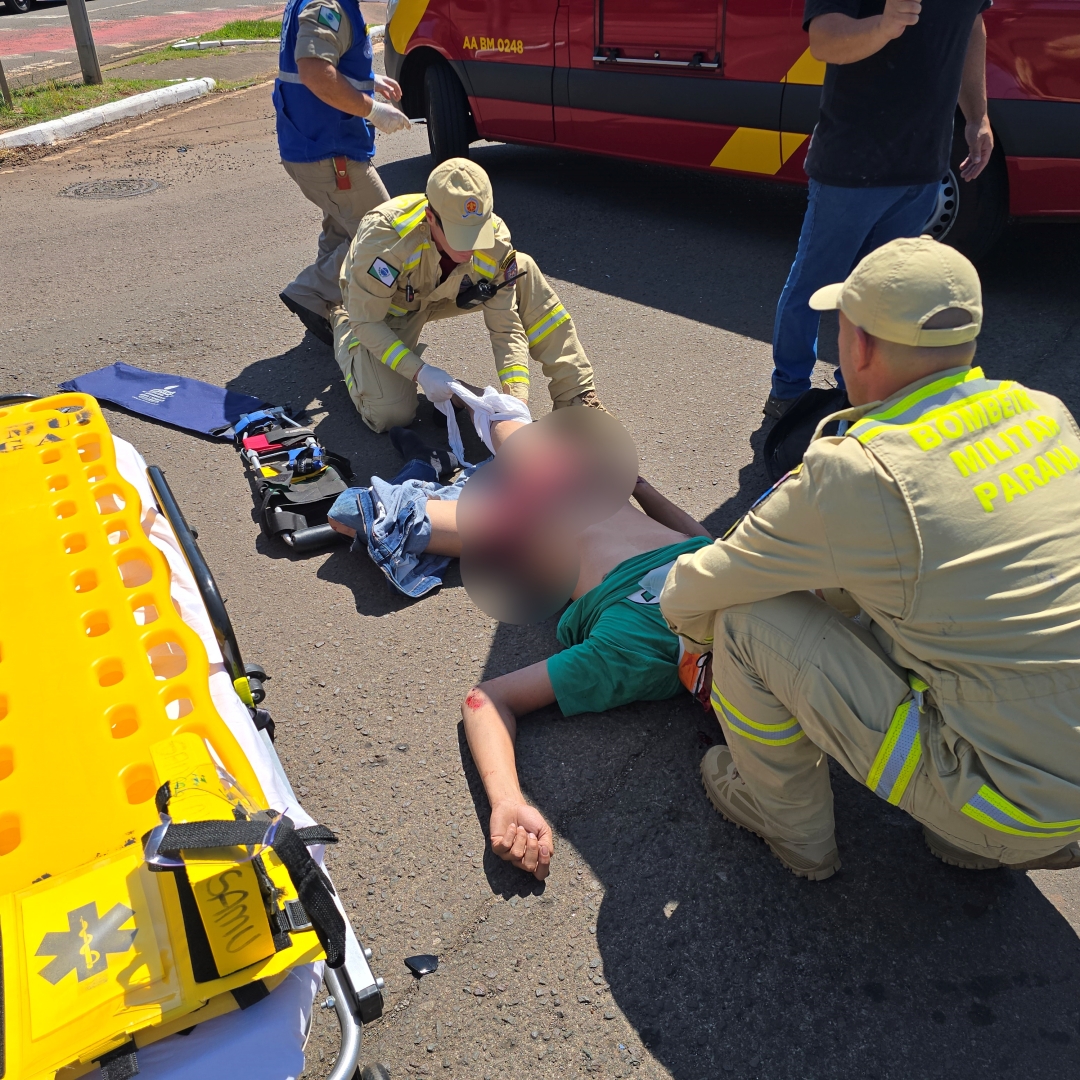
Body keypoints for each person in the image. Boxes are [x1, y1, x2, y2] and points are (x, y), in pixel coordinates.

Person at [661, 236, 1080, 882]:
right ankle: (997, 830)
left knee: (744, 620)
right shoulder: (1046, 415)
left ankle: (795, 832)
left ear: (857, 345)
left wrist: (695, 640)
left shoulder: (864, 474)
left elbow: (707, 581)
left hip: (1007, 805)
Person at [327, 417, 713, 879]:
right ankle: (461, 468)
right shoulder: (704, 605)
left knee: (357, 512)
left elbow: (485, 700)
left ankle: (459, 474)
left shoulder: (646, 650)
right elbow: (702, 538)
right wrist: (639, 487)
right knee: (497, 424)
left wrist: (507, 800)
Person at [764, 0, 994, 419]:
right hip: (851, 166)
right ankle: (789, 391)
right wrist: (883, 27)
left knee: (888, 294)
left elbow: (972, 26)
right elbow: (824, 39)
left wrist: (978, 115)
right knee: (815, 283)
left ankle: (859, 394)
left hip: (924, 165)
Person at [332, 157, 603, 433]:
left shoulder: (495, 239)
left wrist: (515, 399)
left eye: (477, 233)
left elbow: (506, 327)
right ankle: (342, 321)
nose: (471, 247)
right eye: (459, 236)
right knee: (390, 414)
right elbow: (369, 321)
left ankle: (575, 395)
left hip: (449, 292)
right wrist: (420, 371)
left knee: (523, 268)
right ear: (430, 218)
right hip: (387, 308)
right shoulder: (386, 237)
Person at [274, 0, 411, 347]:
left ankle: (329, 306)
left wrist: (365, 80)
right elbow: (315, 71)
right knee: (388, 234)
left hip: (314, 145)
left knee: (342, 227)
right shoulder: (327, 4)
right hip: (329, 151)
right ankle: (311, 293)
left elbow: (324, 58)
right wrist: (373, 110)